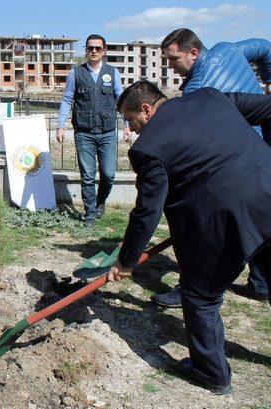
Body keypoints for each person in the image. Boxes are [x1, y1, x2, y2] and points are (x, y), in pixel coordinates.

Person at [108, 80, 271, 394]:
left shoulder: (147, 147)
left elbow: (147, 212)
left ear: (146, 109)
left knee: (200, 296)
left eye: (130, 120)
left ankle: (212, 373)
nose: (132, 129)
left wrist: (127, 260)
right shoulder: (211, 98)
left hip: (224, 217)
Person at [152, 28, 271, 308]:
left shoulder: (197, 91)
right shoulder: (228, 49)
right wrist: (268, 79)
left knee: (205, 226)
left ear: (193, 53)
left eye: (174, 59)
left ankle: (191, 286)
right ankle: (261, 284)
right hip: (259, 155)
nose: (171, 66)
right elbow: (265, 47)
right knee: (260, 220)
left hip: (229, 163)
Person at [56, 34, 130, 227]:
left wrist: (127, 125)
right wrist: (60, 125)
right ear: (86, 50)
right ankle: (90, 214)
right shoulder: (75, 74)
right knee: (88, 175)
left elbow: (120, 100)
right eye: (90, 48)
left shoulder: (112, 72)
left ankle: (100, 202)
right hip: (84, 132)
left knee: (108, 174)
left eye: (98, 48)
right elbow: (67, 100)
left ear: (103, 51)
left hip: (107, 132)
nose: (94, 51)